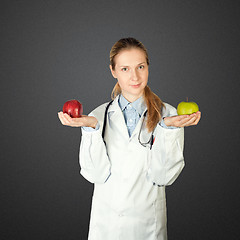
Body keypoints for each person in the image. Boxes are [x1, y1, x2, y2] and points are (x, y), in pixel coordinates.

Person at [58, 37, 201, 240]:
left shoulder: (168, 115)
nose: (134, 76)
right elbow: (94, 175)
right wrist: (91, 129)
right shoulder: (97, 116)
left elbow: (164, 177)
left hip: (147, 228)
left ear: (148, 67)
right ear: (113, 71)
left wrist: (166, 129)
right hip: (106, 227)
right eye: (125, 69)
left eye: (140, 67)